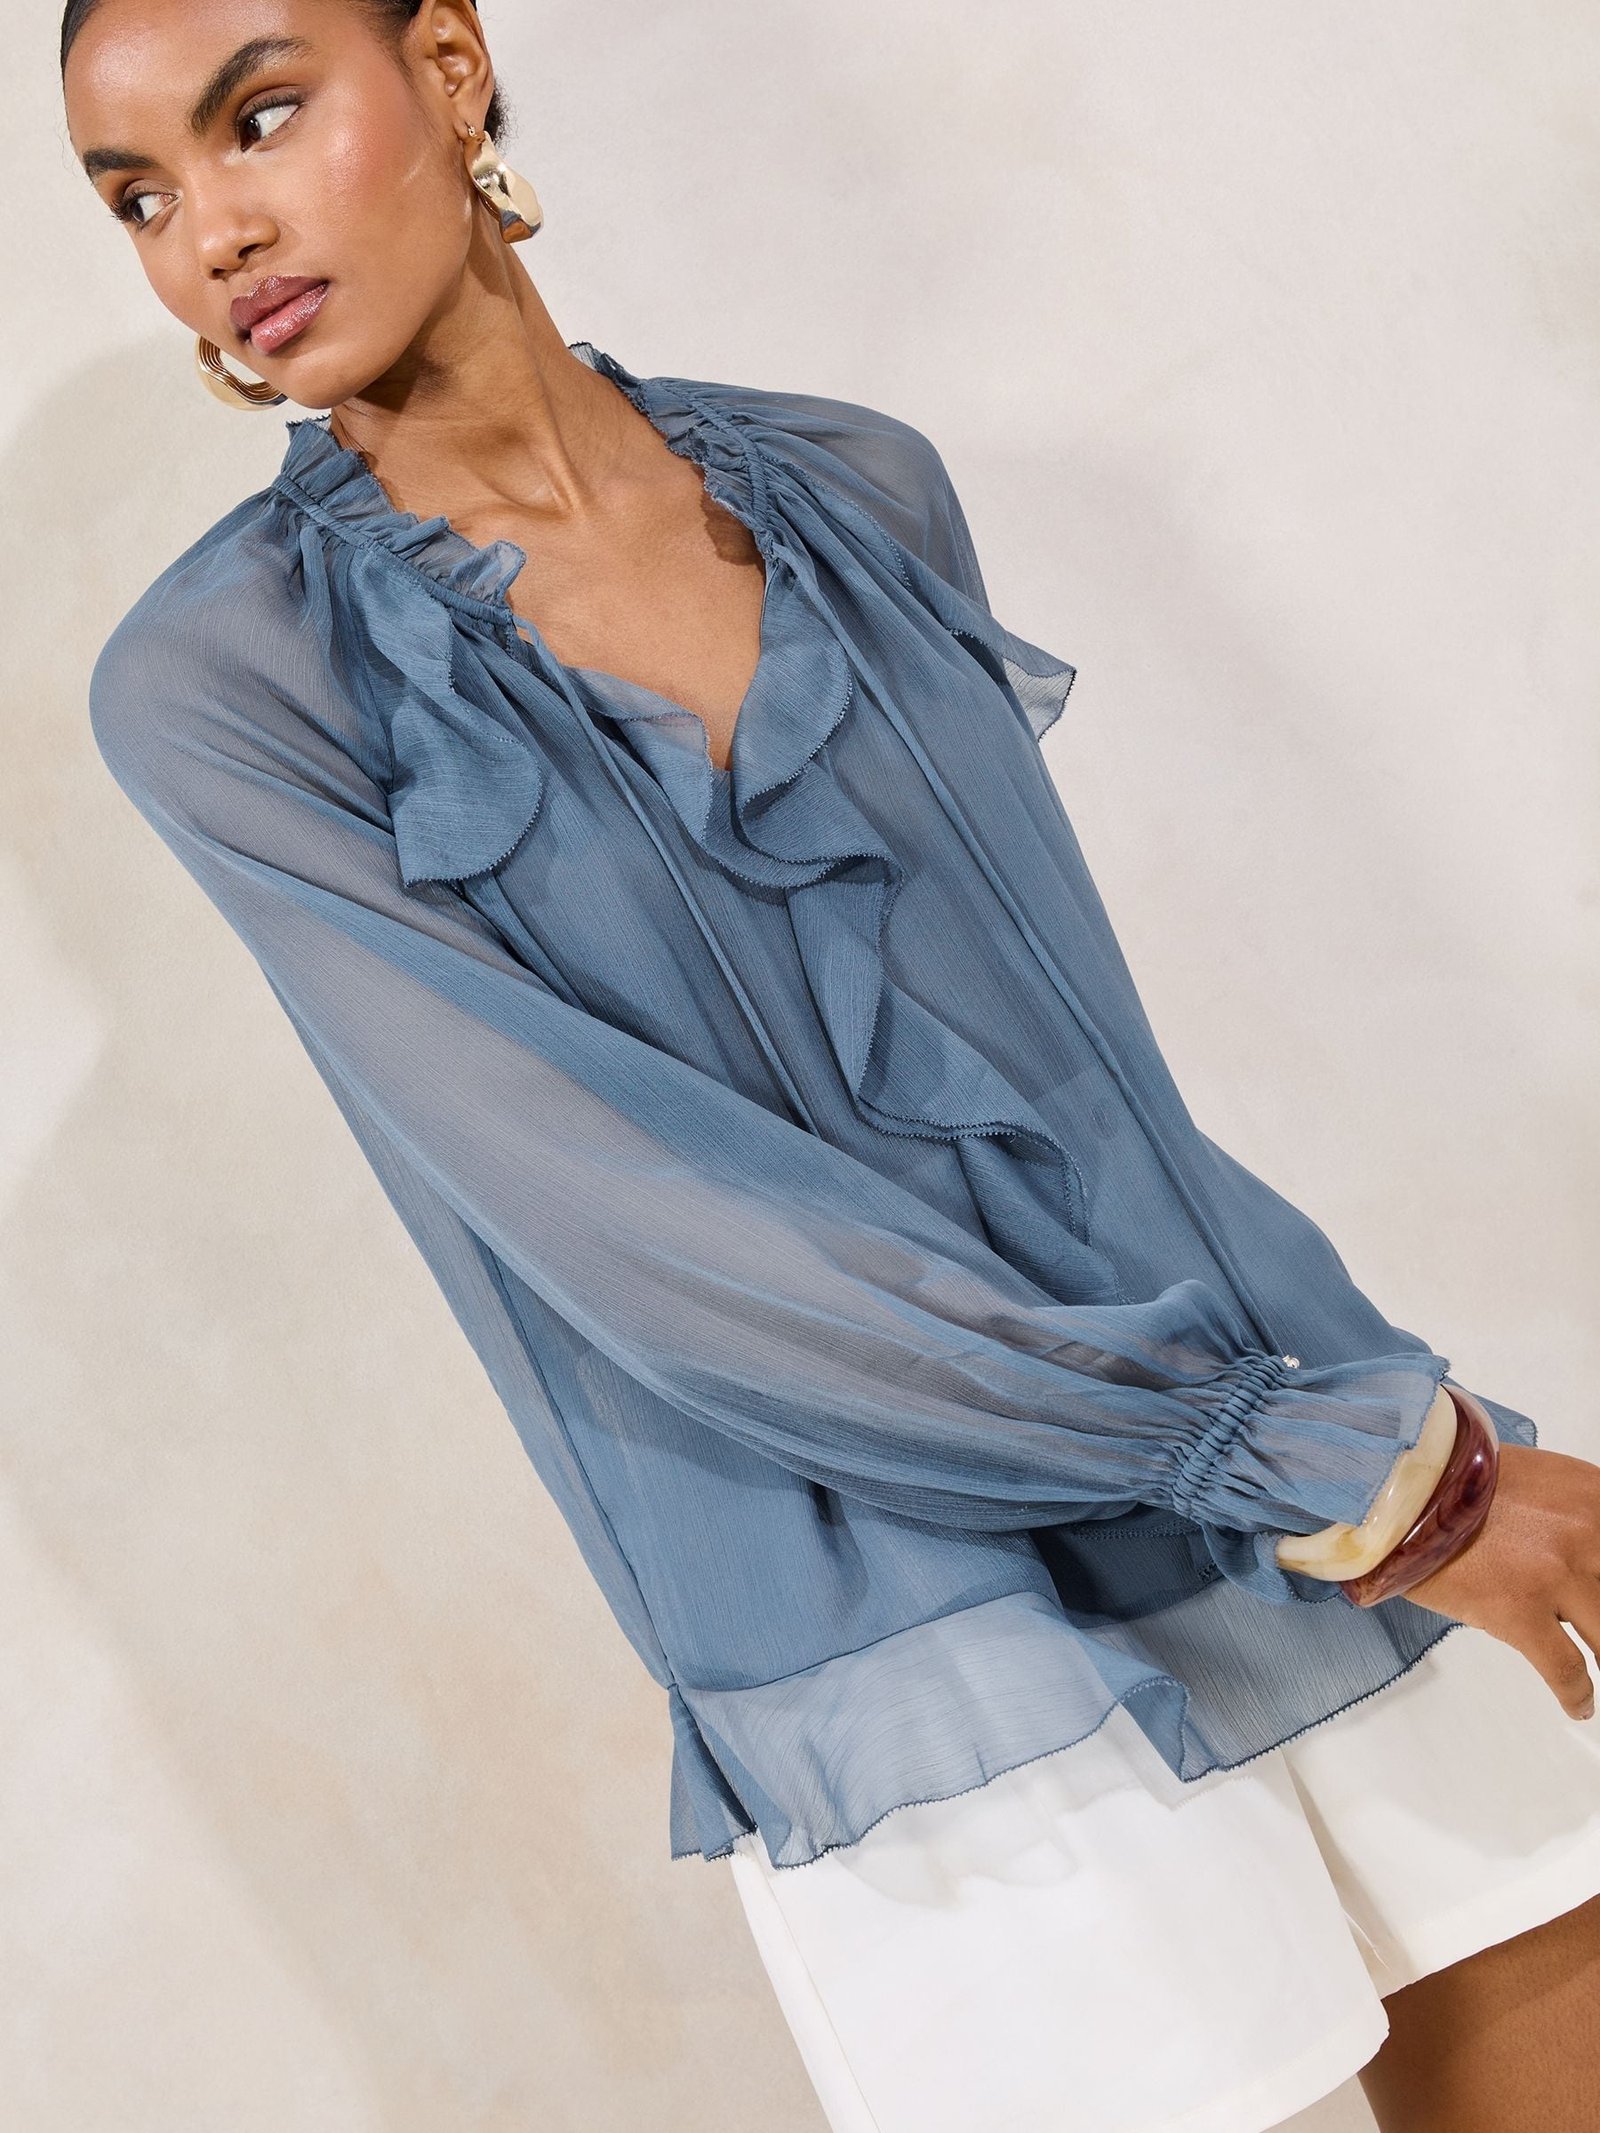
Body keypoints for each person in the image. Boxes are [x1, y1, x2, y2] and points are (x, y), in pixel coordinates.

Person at [60, 3, 1600, 2128]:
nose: (211, 233)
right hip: (905, 1618)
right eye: (138, 196)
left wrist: (1364, 1457)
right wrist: (1298, 1457)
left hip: (1302, 1475)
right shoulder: (231, 685)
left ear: (449, 64)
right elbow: (652, 1232)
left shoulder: (861, 487)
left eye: (259, 116)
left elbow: (1090, 1087)